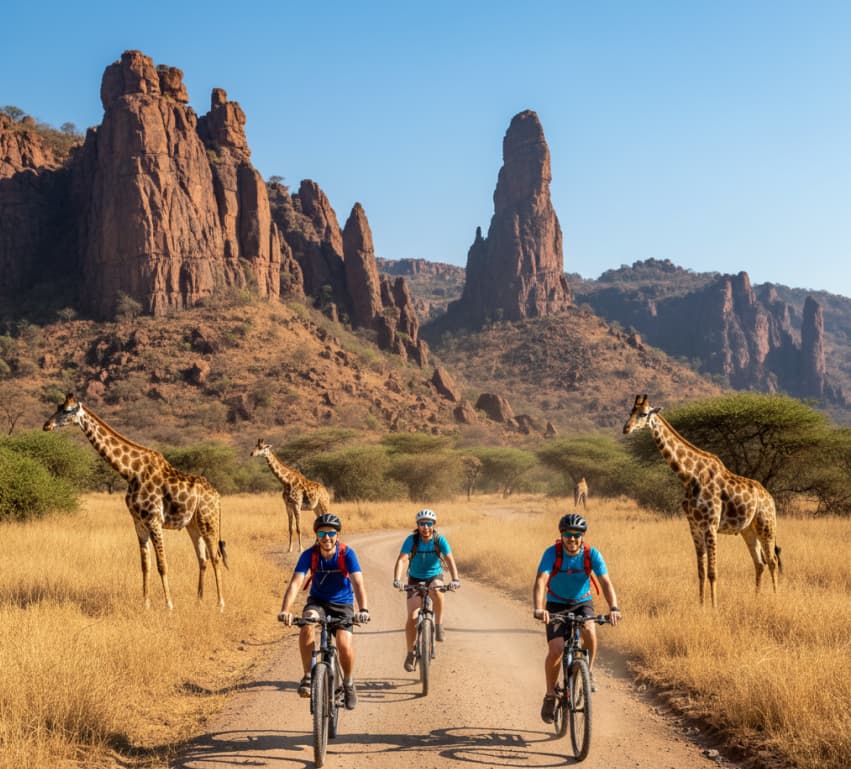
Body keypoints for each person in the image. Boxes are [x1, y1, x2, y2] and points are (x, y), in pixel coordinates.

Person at [532, 512, 621, 723]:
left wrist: (614, 608)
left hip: (582, 602)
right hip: (556, 604)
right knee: (556, 650)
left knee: (590, 630)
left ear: (583, 535)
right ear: (561, 535)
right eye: (568, 535)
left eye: (577, 534)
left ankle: (587, 672)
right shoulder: (552, 553)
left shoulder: (592, 554)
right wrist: (538, 608)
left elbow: (606, 583)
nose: (572, 539)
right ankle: (550, 695)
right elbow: (540, 580)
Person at [278, 513, 370, 710]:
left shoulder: (347, 554)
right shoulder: (309, 555)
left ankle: (348, 684)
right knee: (307, 623)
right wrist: (285, 610)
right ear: (316, 535)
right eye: (322, 533)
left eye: (330, 533)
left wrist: (363, 609)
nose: (326, 537)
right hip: (318, 602)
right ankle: (308, 676)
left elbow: (358, 583)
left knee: (344, 645)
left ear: (337, 535)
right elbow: (295, 583)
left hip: (343, 604)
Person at [392, 508, 460, 671]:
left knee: (436, 591)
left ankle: (439, 625)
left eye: (429, 524)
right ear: (418, 525)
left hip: (434, 575)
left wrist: (455, 579)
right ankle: (410, 653)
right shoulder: (412, 540)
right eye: (422, 524)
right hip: (415, 577)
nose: (425, 527)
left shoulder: (439, 540)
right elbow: (402, 559)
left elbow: (449, 559)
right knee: (413, 617)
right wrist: (397, 579)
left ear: (433, 525)